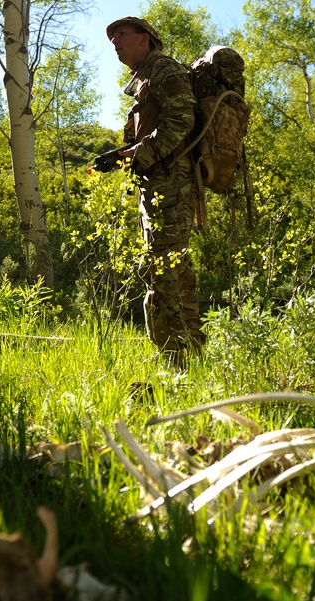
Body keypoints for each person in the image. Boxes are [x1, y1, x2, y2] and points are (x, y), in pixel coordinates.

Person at [106, 16, 205, 369]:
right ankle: (188, 356)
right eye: (112, 38)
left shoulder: (162, 68)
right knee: (169, 268)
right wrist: (125, 156)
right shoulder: (144, 79)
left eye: (121, 35)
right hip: (158, 184)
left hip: (170, 184)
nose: (114, 42)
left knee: (164, 269)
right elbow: (154, 127)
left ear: (144, 39)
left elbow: (182, 118)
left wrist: (142, 153)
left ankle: (177, 361)